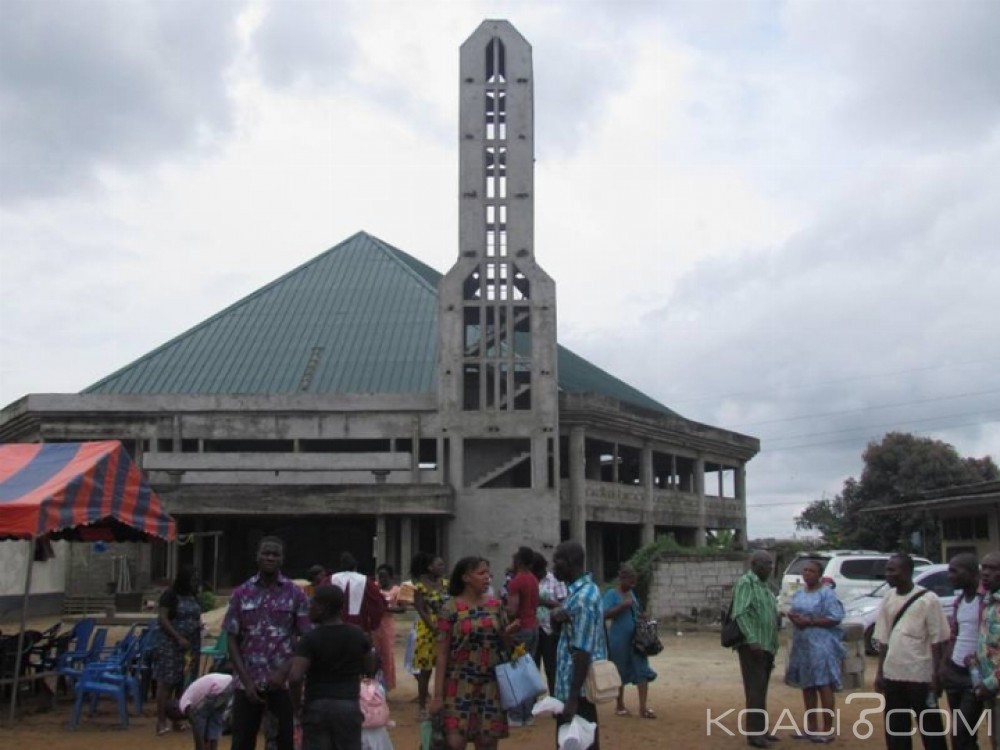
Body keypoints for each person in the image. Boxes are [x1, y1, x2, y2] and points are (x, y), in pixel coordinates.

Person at [224, 536, 311, 750]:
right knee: (242, 742)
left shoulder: (296, 594)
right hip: (247, 685)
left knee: (283, 742)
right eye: (266, 553)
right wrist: (246, 681)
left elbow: (306, 639)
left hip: (283, 686)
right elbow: (232, 638)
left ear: (282, 559)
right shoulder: (241, 593)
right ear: (257, 557)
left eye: (275, 554)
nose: (270, 558)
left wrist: (284, 671)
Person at [429, 556, 514, 749]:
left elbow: (505, 647)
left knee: (487, 741)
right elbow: (441, 654)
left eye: (488, 573)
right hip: (458, 683)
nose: (487, 577)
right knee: (454, 742)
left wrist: (509, 636)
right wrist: (438, 696)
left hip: (490, 684)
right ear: (466, 577)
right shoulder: (449, 608)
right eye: (481, 573)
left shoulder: (495, 606)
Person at [873, 553, 950, 750]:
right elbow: (883, 637)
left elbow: (938, 640)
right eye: (887, 570)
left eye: (893, 570)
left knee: (930, 726)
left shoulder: (928, 599)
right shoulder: (888, 597)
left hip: (920, 675)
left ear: (907, 572)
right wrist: (880, 672)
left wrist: (936, 675)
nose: (888, 574)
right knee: (896, 727)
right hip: (893, 673)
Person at [287, 585, 374, 750]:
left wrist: (297, 706)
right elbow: (370, 666)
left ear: (322, 608)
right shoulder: (358, 634)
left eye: (312, 603)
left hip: (317, 706)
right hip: (348, 706)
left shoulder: (309, 639)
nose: (309, 608)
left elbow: (295, 677)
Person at [550, 540, 606, 750]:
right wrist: (557, 618)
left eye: (557, 561)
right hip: (571, 690)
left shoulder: (583, 598)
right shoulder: (578, 593)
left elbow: (583, 651)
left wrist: (572, 699)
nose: (554, 567)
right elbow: (568, 636)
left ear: (570, 562)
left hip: (578, 693)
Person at [783, 557, 844, 743]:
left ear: (819, 575)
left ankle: (827, 729)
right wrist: (794, 617)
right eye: (805, 570)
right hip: (803, 645)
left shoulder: (827, 594)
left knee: (823, 684)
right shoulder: (800, 593)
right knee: (807, 685)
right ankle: (811, 727)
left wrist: (810, 621)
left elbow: (836, 617)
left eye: (812, 571)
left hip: (821, 644)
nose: (807, 574)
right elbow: (793, 610)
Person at [730, 550, 780, 748]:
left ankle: (762, 729)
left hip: (767, 646)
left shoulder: (765, 587)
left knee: (761, 689)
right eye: (767, 564)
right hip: (753, 647)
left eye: (771, 564)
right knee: (755, 690)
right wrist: (752, 639)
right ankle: (754, 734)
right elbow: (740, 613)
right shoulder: (746, 583)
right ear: (756, 565)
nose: (770, 568)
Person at [939, 553, 986, 750]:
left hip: (975, 675)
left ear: (972, 573)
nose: (950, 576)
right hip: (955, 672)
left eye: (954, 571)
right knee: (964, 736)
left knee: (961, 733)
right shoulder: (959, 601)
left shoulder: (986, 601)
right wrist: (944, 666)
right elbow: (955, 636)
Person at [602, 562, 657, 719]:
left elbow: (636, 611)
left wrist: (643, 616)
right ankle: (620, 705)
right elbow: (604, 614)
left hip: (637, 640)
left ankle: (643, 707)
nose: (633, 584)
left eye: (634, 581)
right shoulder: (611, 594)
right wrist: (621, 606)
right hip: (618, 640)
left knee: (642, 669)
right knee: (619, 671)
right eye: (630, 580)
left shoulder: (632, 593)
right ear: (622, 578)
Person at [154, 563, 202, 736]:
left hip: (192, 645)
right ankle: (161, 721)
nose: (195, 582)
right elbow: (163, 619)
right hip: (171, 645)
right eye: (192, 579)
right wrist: (178, 637)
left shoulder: (194, 596)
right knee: (167, 682)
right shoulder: (170, 595)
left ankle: (178, 719)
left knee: (185, 682)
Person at [505, 546, 539, 727]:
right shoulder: (533, 579)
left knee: (516, 670)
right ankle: (528, 712)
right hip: (533, 626)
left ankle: (516, 714)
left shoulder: (516, 581)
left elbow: (512, 610)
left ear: (518, 560)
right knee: (528, 669)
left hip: (520, 628)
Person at [412, 552, 448, 717]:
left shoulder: (446, 584)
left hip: (445, 626)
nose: (442, 567)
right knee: (425, 671)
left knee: (445, 667)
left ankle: (442, 702)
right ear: (429, 567)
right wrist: (433, 626)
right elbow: (421, 609)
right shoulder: (420, 587)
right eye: (439, 564)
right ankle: (422, 706)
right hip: (427, 630)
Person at [971, 551, 1000, 750]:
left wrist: (990, 683)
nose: (986, 573)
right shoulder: (988, 603)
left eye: (993, 568)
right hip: (991, 690)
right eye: (984, 568)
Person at [167, 672, 235, 750]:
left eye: (176, 718)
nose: (181, 719)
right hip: (229, 684)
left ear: (175, 708)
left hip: (215, 689)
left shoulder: (182, 703)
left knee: (198, 720)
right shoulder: (189, 696)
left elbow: (194, 720)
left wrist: (195, 726)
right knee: (214, 720)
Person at [531, 551, 567, 696]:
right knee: (532, 668)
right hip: (533, 630)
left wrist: (545, 602)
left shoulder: (555, 581)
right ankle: (532, 703)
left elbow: (565, 606)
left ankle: (555, 699)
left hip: (550, 631)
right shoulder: (530, 581)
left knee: (551, 668)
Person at [330, 552, 386, 634]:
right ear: (355, 567)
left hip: (334, 623)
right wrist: (373, 624)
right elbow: (377, 603)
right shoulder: (365, 581)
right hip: (358, 624)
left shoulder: (331, 579)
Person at [373, 564, 400, 691]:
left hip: (387, 625)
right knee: (375, 652)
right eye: (380, 576)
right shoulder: (373, 588)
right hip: (374, 624)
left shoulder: (396, 590)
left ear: (391, 577)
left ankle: (386, 685)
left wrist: (386, 608)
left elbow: (402, 608)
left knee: (387, 653)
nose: (381, 579)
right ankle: (373, 684)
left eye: (384, 577)